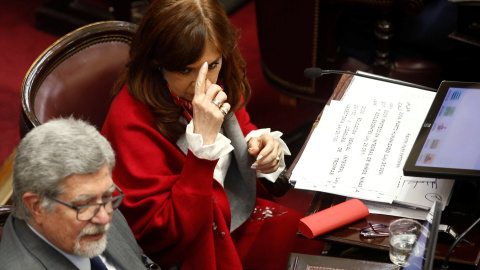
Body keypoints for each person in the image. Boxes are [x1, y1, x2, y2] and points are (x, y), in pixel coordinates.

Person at [101, 0, 325, 269]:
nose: (203, 83)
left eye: (213, 64)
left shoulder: (223, 77)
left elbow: (242, 129)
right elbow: (160, 238)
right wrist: (202, 148)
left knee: (319, 247)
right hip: (188, 248)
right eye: (185, 70)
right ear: (157, 63)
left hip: (231, 212)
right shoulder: (130, 120)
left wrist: (261, 150)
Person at [0, 118, 159, 270]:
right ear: (37, 206)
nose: (104, 218)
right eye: (84, 204)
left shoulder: (95, 203)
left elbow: (140, 262)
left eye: (106, 196)